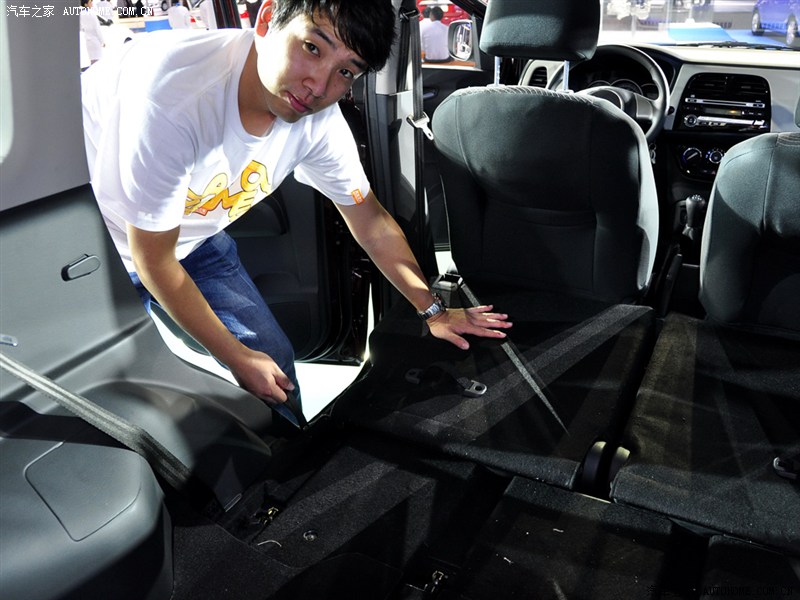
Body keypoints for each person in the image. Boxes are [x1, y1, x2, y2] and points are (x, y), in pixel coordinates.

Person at [81, 0, 511, 411]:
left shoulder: (318, 122)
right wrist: (235, 356)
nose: (319, 87)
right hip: (94, 242)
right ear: (267, 19)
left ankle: (285, 455)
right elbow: (152, 259)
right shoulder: (176, 98)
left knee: (272, 362)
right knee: (103, 389)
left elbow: (371, 222)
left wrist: (433, 311)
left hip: (189, 241)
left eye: (346, 71)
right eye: (312, 48)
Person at [80, 0, 105, 65]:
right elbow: (97, 29)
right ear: (85, 4)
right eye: (90, 2)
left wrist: (86, 29)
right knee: (98, 61)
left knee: (92, 60)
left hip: (88, 40)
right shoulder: (92, 13)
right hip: (95, 40)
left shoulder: (80, 14)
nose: (92, 3)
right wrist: (102, 41)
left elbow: (80, 28)